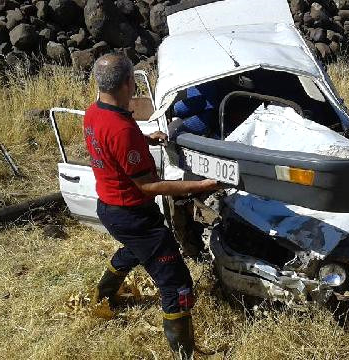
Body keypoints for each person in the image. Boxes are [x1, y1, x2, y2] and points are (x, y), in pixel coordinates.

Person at [84, 53, 218, 359]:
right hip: (133, 214)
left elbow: (113, 142)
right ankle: (184, 352)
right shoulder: (122, 129)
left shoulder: (95, 112)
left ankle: (103, 297)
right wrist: (201, 186)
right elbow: (149, 186)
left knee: (134, 250)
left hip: (110, 208)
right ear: (130, 83)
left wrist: (143, 138)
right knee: (176, 282)